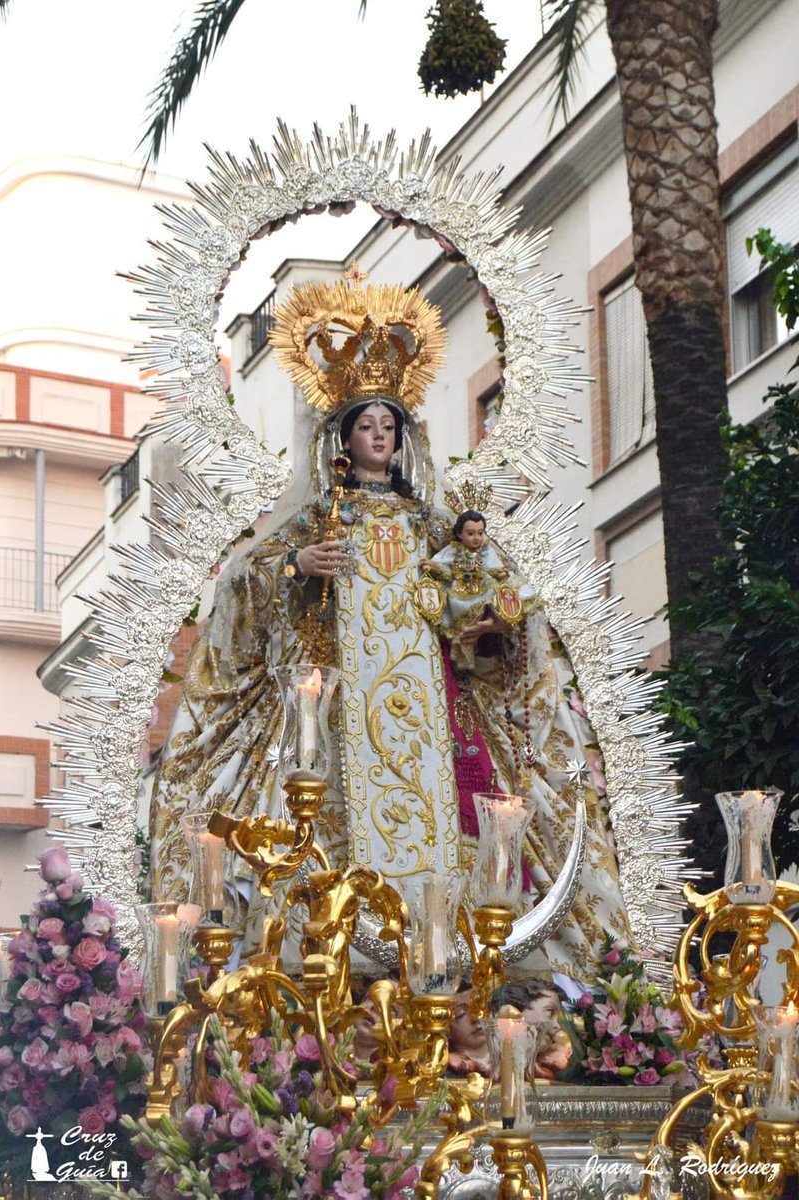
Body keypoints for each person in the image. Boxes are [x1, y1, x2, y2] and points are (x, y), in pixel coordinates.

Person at [149, 271, 633, 981]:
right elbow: (246, 600)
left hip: (436, 725)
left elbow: (491, 605)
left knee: (471, 836)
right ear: (342, 438)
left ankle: (458, 955)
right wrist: (297, 571)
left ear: (404, 438)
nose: (378, 436)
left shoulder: (439, 526)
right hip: (338, 725)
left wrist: (491, 612)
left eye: (389, 426)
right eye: (366, 426)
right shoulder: (313, 524)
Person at [421, 509, 537, 671]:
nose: (476, 538)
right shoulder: (454, 550)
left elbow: (493, 567)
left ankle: (491, 620)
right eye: (471, 533)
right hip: (460, 594)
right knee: (463, 629)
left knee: (497, 591)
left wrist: (499, 572)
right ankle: (464, 651)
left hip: (481, 588)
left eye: (480, 533)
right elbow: (441, 564)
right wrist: (432, 567)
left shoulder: (486, 550)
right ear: (460, 534)